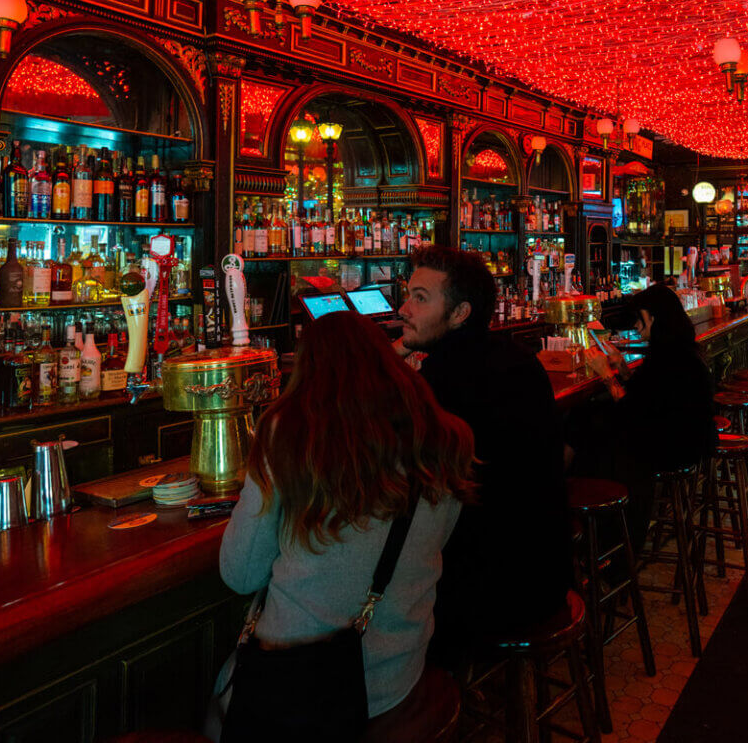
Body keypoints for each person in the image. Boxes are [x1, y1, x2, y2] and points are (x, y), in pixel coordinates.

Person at [219, 311, 476, 726]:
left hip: (301, 685)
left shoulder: (285, 435)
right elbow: (437, 540)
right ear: (386, 356)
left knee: (218, 708)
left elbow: (240, 574)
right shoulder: (446, 436)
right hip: (398, 671)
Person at [397, 245, 572, 660]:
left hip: (488, 594)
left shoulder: (439, 385)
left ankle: (423, 696)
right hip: (548, 572)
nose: (404, 309)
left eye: (420, 298)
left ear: (460, 314)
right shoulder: (517, 359)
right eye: (408, 294)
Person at [571, 285, 717, 542]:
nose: (637, 326)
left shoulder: (667, 358)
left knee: (583, 426)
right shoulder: (678, 350)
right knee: (589, 420)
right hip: (692, 443)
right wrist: (624, 370)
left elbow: (633, 412)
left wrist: (607, 377)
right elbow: (649, 398)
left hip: (671, 449)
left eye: (640, 318)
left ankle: (598, 532)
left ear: (654, 317)